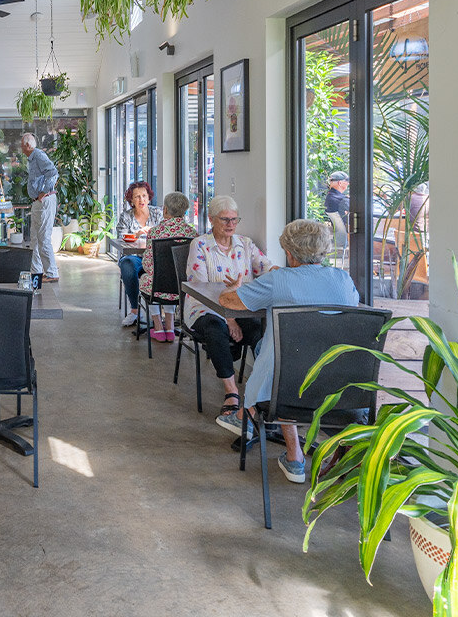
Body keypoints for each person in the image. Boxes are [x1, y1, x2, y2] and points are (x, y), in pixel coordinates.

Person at [213, 219, 360, 485]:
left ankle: (282, 444)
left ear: (289, 253)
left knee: (277, 357)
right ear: (323, 251)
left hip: (287, 390)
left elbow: (227, 302)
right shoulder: (343, 279)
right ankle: (257, 424)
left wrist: (233, 288)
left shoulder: (278, 280)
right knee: (274, 350)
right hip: (340, 389)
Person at [186, 196, 271, 429]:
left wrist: (287, 274)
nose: (230, 224)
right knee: (216, 329)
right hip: (204, 307)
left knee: (260, 330)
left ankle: (265, 393)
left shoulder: (245, 243)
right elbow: (202, 288)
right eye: (225, 219)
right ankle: (231, 392)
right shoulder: (200, 245)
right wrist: (229, 318)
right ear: (212, 219)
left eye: (234, 219)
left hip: (241, 308)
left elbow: (265, 267)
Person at [139, 192, 198, 342]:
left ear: (165, 210)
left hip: (158, 289)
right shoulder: (192, 233)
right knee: (173, 278)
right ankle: (170, 326)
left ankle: (158, 327)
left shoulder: (155, 232)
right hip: (182, 291)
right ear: (185, 211)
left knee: (150, 278)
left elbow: (148, 265)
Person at [113, 181, 156, 327]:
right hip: (135, 257)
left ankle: (166, 315)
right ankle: (135, 311)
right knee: (127, 264)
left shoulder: (158, 214)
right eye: (137, 197)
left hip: (154, 258)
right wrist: (137, 234)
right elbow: (121, 238)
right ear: (131, 200)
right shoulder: (126, 216)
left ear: (149, 198)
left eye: (144, 196)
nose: (141, 200)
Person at [21, 132, 60, 281]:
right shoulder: (33, 158)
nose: (21, 149)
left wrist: (44, 191)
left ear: (28, 145)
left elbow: (52, 172)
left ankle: (51, 273)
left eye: (22, 145)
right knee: (35, 239)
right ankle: (36, 271)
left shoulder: (38, 155)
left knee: (43, 238)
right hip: (37, 202)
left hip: (44, 201)